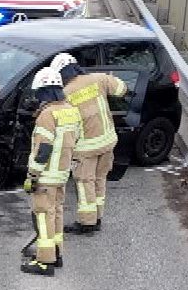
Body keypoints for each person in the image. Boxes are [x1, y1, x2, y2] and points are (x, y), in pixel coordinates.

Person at [51, 52, 128, 233]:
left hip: (85, 148)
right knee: (100, 180)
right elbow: (122, 89)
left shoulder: (65, 93)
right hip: (107, 142)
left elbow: (60, 121)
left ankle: (87, 223)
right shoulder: (98, 79)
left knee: (86, 183)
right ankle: (98, 217)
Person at [21, 67, 81, 277]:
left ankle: (45, 262)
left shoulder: (47, 115)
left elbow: (43, 149)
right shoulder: (71, 110)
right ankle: (57, 254)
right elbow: (78, 139)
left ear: (44, 92)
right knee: (55, 214)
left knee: (43, 218)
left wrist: (32, 175)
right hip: (62, 175)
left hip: (46, 177)